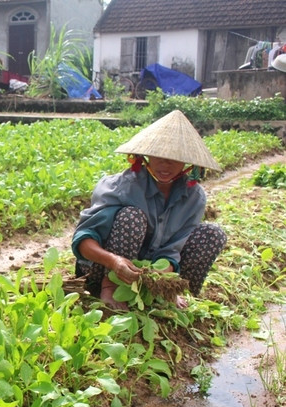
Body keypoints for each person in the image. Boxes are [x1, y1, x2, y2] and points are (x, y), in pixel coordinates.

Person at [71, 110, 227, 310]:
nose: (165, 164)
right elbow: (84, 239)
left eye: (174, 158)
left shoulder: (194, 198)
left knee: (213, 234)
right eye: (159, 155)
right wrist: (114, 261)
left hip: (150, 275)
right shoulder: (123, 186)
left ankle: (166, 293)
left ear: (188, 163)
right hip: (102, 269)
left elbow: (174, 250)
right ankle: (109, 289)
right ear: (145, 156)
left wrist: (162, 276)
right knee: (132, 217)